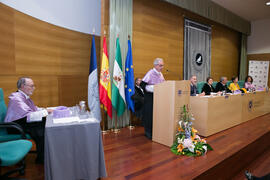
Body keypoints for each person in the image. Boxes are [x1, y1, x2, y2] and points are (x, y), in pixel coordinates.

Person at [4, 77, 53, 163]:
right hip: (14, 127)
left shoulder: (23, 96)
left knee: (43, 122)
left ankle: (44, 154)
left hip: (21, 122)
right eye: (31, 86)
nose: (34, 88)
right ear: (23, 86)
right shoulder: (16, 98)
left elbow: (33, 109)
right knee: (41, 127)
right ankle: (42, 158)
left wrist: (44, 110)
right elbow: (29, 115)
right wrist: (45, 112)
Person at [140, 58, 165, 139]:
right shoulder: (150, 73)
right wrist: (151, 88)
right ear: (156, 65)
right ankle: (148, 132)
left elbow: (163, 83)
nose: (162, 67)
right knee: (149, 115)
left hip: (158, 97)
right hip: (149, 98)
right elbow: (142, 85)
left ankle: (156, 131)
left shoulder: (160, 74)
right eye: (160, 65)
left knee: (156, 115)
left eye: (162, 65)